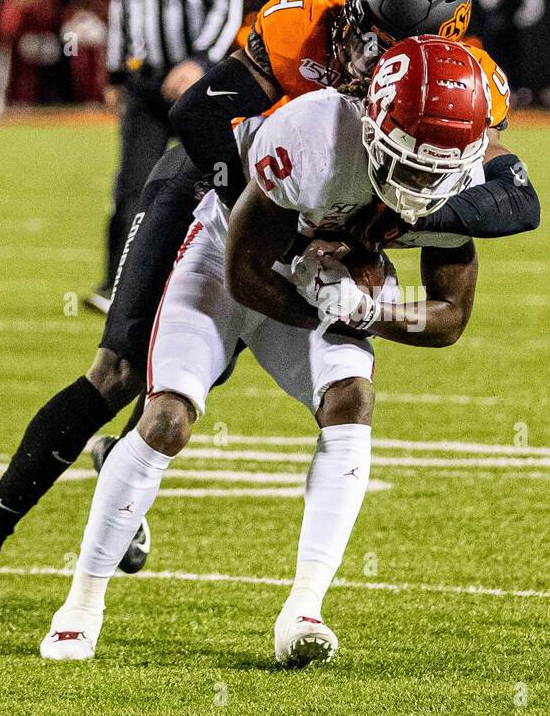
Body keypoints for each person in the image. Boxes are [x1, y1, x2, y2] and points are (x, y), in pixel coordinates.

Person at [0, 0, 539, 646]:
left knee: (224, 385)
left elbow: (515, 199)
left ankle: (133, 466)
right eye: (362, 26)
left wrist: (396, 218)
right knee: (120, 371)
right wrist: (286, 224)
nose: (360, 48)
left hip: (319, 204)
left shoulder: (455, 90)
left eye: (382, 43)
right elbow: (198, 115)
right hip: (215, 184)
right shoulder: (307, 21)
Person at [39, 36, 495, 666]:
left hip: (319, 279)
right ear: (375, 120)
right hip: (228, 253)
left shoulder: (458, 171)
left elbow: (450, 318)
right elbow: (245, 273)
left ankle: (304, 608)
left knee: (352, 398)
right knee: (167, 415)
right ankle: (82, 604)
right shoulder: (313, 134)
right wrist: (323, 298)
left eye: (436, 168)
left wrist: (368, 311)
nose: (421, 182)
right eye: (410, 161)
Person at [90, 0, 244, 313]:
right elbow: (121, 13)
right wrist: (117, 74)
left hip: (201, 88)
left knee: (224, 182)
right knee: (132, 185)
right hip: (147, 84)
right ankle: (117, 285)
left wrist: (199, 62)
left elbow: (227, 8)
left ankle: (239, 279)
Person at [478, 0, 544, 99]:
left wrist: (517, 20)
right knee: (493, 58)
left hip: (518, 28)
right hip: (496, 26)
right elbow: (487, 1)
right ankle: (492, 91)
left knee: (516, 61)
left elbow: (534, 6)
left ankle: (517, 92)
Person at [61, 0, 110, 104]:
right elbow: (67, 30)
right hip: (78, 46)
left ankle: (97, 100)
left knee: (98, 75)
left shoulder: (105, 6)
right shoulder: (75, 5)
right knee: (79, 73)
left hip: (98, 47)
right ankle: (82, 100)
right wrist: (69, 49)